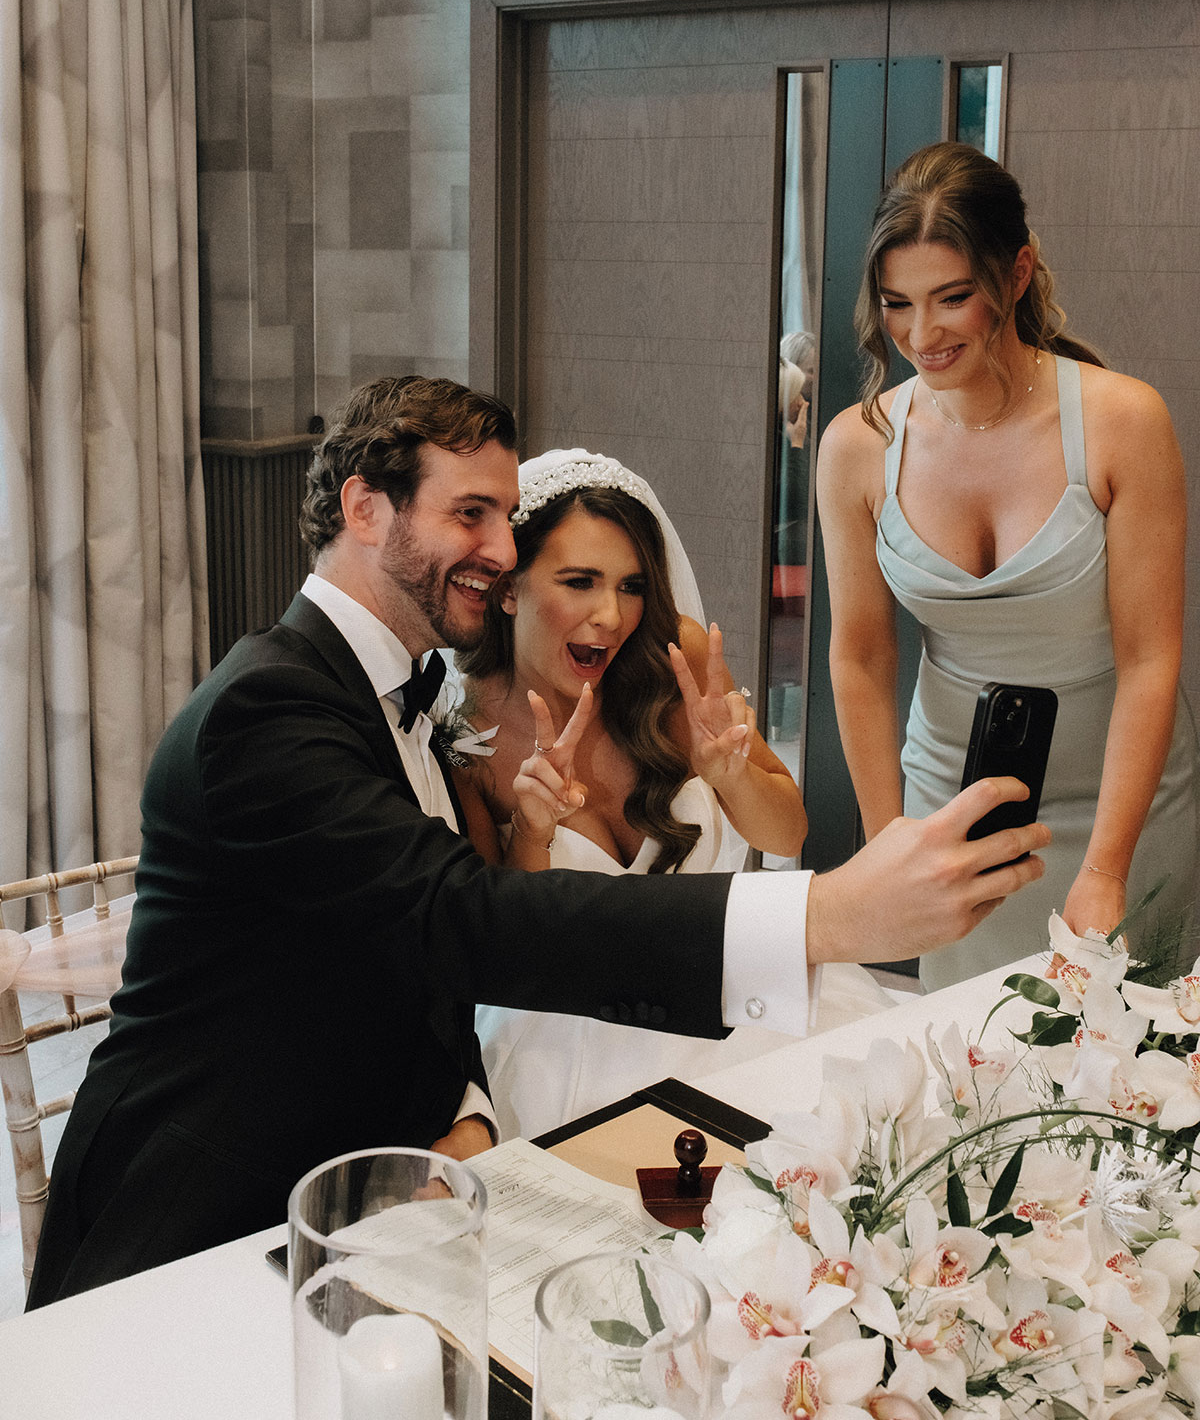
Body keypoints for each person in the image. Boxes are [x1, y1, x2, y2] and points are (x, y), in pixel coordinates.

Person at [29, 375, 1050, 1305]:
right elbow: (464, 921)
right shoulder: (268, 707)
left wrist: (469, 1116)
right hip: (202, 1231)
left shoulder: (396, 696)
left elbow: (415, 964)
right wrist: (826, 914)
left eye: (502, 519)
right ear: (363, 509)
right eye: (468, 514)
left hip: (389, 1186)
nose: (501, 548)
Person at [817, 141, 1200, 990]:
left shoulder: (1122, 421)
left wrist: (1104, 868)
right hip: (954, 805)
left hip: (1123, 808)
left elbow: (1150, 658)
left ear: (1016, 274)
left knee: (1121, 1089)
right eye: (897, 305)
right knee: (971, 1086)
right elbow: (861, 657)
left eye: (952, 299)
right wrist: (891, 846)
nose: (922, 334)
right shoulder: (855, 446)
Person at [449, 450, 889, 1136]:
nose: (610, 616)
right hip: (566, 1049)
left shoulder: (670, 661)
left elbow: (785, 836)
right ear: (509, 588)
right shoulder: (467, 734)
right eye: (579, 581)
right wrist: (531, 830)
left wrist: (731, 774)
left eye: (630, 586)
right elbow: (501, 951)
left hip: (732, 1005)